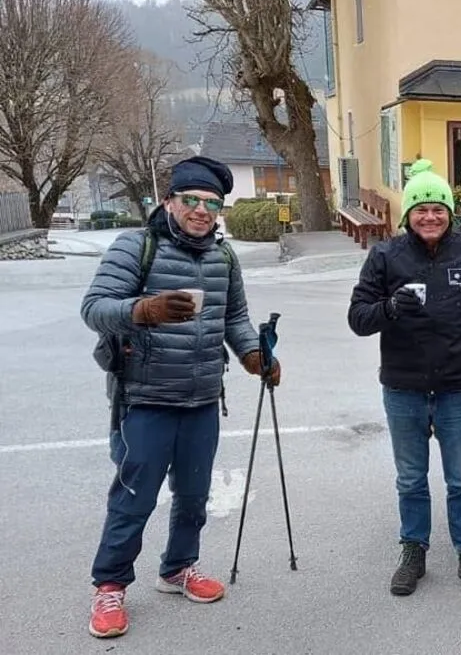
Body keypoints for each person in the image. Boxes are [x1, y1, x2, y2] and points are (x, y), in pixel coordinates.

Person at [81, 156, 280, 639]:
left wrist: (256, 355)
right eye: (191, 200)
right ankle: (109, 585)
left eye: (212, 203)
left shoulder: (223, 257)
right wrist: (143, 309)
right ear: (169, 201)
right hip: (145, 396)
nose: (201, 211)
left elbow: (233, 317)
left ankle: (177, 568)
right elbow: (94, 307)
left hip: (201, 398)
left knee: (194, 495)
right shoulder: (136, 246)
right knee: (133, 497)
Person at [347, 159, 461, 599]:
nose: (430, 216)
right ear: (407, 215)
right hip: (403, 387)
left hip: (456, 388)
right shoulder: (385, 255)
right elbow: (358, 318)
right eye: (420, 209)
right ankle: (414, 549)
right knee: (410, 478)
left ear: (449, 212)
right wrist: (390, 308)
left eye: (438, 207)